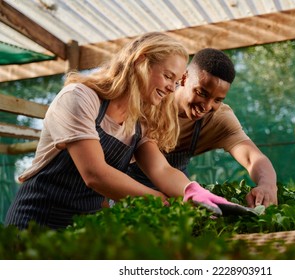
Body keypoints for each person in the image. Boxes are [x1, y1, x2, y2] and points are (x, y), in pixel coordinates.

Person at [5, 33, 237, 230]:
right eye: (168, 76)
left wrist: (192, 192)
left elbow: (162, 170)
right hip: (36, 222)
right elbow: (95, 174)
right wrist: (164, 203)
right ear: (141, 61)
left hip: (85, 229)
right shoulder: (80, 98)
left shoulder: (139, 123)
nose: (171, 88)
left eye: (176, 82)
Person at [128, 48, 278, 208]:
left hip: (178, 187)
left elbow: (252, 158)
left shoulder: (219, 118)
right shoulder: (154, 100)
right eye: (202, 93)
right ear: (184, 78)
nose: (206, 106)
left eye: (217, 100)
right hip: (128, 184)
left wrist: (267, 185)